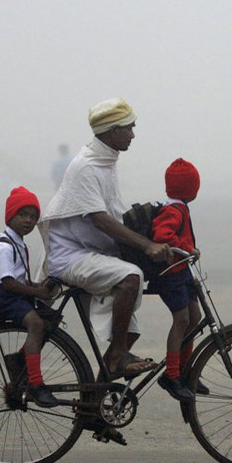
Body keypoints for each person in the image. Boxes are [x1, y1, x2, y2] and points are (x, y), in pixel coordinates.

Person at [39, 98, 172, 381]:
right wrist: (146, 245)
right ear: (113, 131)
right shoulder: (86, 166)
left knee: (129, 333)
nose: (133, 134)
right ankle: (117, 357)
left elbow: (115, 214)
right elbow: (100, 219)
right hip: (70, 256)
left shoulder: (105, 160)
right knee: (131, 278)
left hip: (90, 252)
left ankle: (95, 403)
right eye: (129, 128)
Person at [0, 186, 59, 408]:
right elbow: (8, 282)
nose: (28, 220)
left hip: (11, 293)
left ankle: (20, 360)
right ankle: (36, 383)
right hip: (1, 296)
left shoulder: (18, 242)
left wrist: (37, 286)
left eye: (33, 217)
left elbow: (19, 280)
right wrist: (38, 292)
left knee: (49, 320)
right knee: (36, 324)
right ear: (10, 216)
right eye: (22, 214)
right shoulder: (4, 247)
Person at [148, 159, 204, 401]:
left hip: (181, 272)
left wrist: (188, 250)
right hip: (170, 276)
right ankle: (171, 374)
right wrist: (187, 249)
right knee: (181, 320)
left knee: (195, 318)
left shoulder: (179, 207)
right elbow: (163, 235)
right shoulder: (174, 210)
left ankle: (184, 368)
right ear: (192, 189)